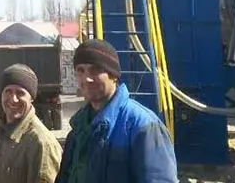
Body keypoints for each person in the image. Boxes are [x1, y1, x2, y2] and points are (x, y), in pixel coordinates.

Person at [55, 38, 177, 183]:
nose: (87, 78)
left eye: (95, 70)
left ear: (113, 75)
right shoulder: (78, 129)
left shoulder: (142, 127)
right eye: (81, 70)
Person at [0, 63, 62, 183]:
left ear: (31, 97)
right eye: (8, 91)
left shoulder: (42, 143)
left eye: (20, 93)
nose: (13, 99)